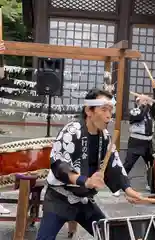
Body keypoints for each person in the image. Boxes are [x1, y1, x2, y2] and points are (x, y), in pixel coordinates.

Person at [36, 88, 143, 239]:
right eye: (104, 109)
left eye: (110, 109)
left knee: (116, 236)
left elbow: (113, 163)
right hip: (59, 199)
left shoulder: (104, 136)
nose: (108, 114)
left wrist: (128, 189)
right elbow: (59, 165)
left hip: (84, 202)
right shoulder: (71, 131)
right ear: (89, 110)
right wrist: (85, 181)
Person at [113, 80, 155, 197]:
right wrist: (145, 104)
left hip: (148, 143)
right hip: (136, 142)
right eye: (143, 100)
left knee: (151, 164)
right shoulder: (134, 111)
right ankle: (117, 186)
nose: (146, 101)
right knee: (128, 165)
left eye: (146, 100)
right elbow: (140, 116)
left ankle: (151, 186)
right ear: (137, 102)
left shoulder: (151, 112)